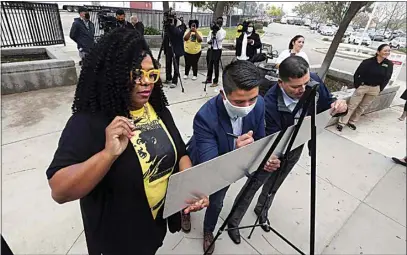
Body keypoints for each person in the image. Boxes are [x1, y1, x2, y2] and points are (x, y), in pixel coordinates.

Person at [46, 28, 208, 255]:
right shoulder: (88, 121)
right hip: (118, 239)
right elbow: (59, 191)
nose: (147, 83)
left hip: (153, 225)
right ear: (114, 74)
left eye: (152, 74)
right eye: (136, 75)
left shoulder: (157, 108)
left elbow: (180, 153)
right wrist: (107, 154)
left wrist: (190, 188)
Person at [226, 56, 348, 244]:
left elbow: (327, 104)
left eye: (305, 83)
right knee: (253, 185)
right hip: (271, 147)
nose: (303, 89)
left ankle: (262, 210)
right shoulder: (267, 103)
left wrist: (340, 106)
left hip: (297, 145)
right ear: (281, 83)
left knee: (275, 184)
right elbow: (261, 135)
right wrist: (268, 157)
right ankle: (233, 222)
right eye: (296, 87)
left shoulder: (313, 83)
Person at [185, 60, 281, 254]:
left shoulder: (259, 104)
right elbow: (210, 164)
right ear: (223, 94)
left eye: (252, 99)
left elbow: (260, 137)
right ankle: (184, 214)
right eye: (239, 102)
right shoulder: (205, 116)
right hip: (201, 161)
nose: (247, 106)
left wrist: (266, 157)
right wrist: (235, 151)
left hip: (228, 171)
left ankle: (208, 232)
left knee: (217, 201)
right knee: (189, 193)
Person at [337, 44, 393, 131]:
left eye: (389, 51)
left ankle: (352, 121)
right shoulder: (367, 62)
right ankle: (342, 123)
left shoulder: (389, 64)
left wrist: (380, 88)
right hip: (363, 87)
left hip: (375, 89)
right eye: (385, 50)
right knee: (352, 105)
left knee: (362, 107)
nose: (387, 52)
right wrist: (358, 85)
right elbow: (357, 74)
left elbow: (387, 77)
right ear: (378, 52)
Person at [204, 17, 227, 88]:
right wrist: (209, 40)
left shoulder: (223, 31)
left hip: (217, 49)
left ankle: (215, 81)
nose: (219, 23)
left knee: (216, 65)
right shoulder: (212, 30)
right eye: (218, 21)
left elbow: (219, 39)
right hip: (210, 49)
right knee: (209, 64)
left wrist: (217, 32)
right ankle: (209, 78)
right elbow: (208, 38)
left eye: (220, 22)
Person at [164, 16, 185, 88]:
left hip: (176, 48)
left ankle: (175, 80)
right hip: (168, 48)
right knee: (168, 63)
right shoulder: (168, 25)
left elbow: (178, 34)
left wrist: (172, 25)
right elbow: (165, 36)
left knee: (176, 64)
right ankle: (168, 78)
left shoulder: (181, 24)